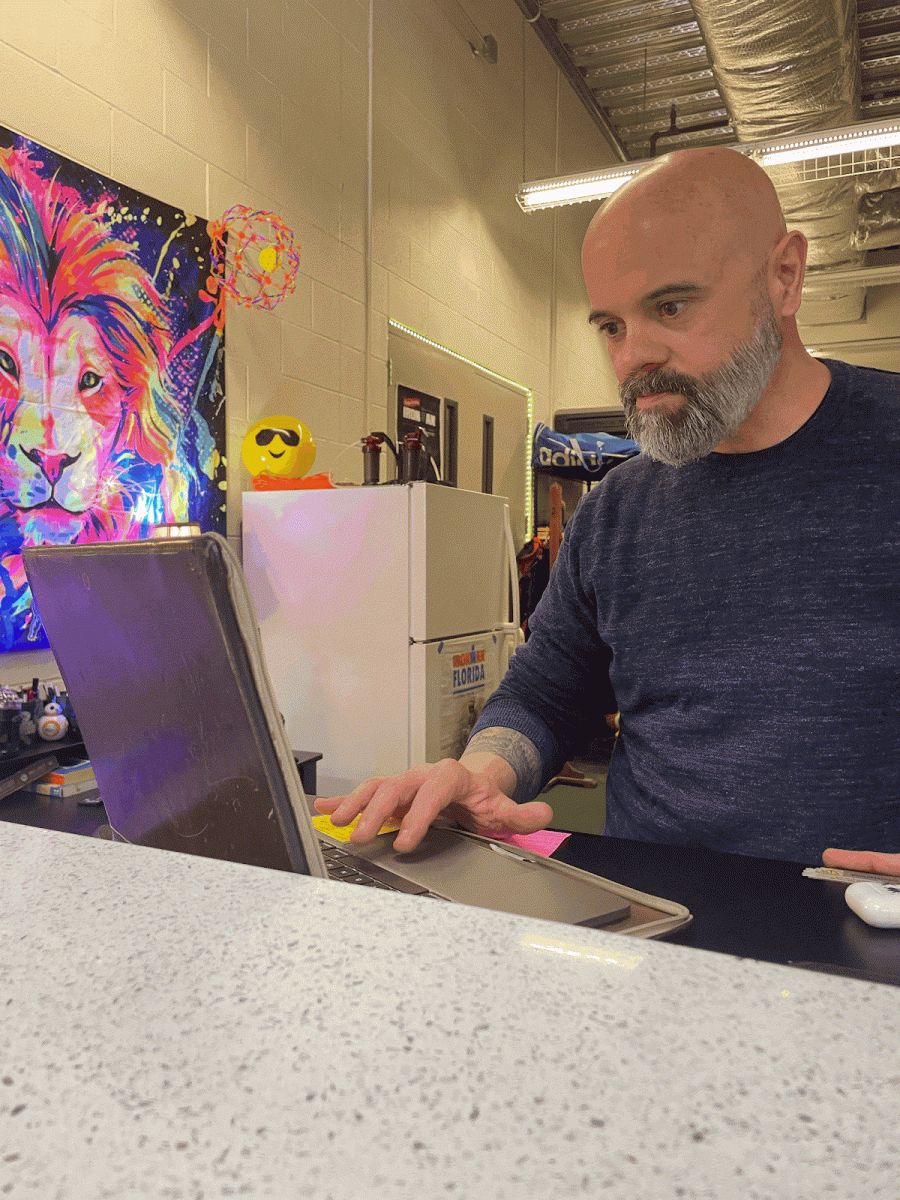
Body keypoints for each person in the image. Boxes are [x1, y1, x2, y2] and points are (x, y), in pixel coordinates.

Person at [316, 145, 900, 872]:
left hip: (863, 935)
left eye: (670, 306)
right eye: (612, 326)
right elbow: (546, 693)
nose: (632, 359)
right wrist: (483, 772)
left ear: (784, 277)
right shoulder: (618, 510)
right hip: (650, 920)